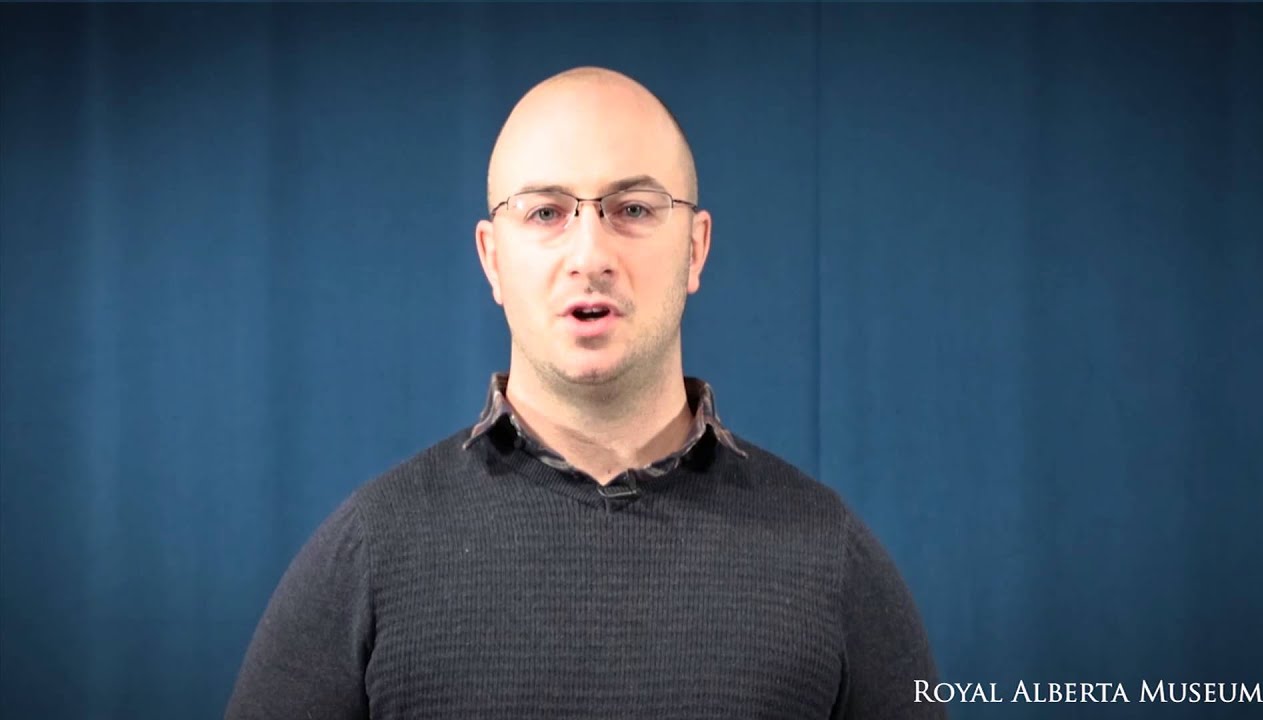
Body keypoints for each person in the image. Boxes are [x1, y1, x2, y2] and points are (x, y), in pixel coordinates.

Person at [225, 66, 944, 720]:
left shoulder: (827, 556)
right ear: (492, 258)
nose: (591, 254)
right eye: (545, 213)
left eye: (633, 209)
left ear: (695, 248)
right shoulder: (370, 553)